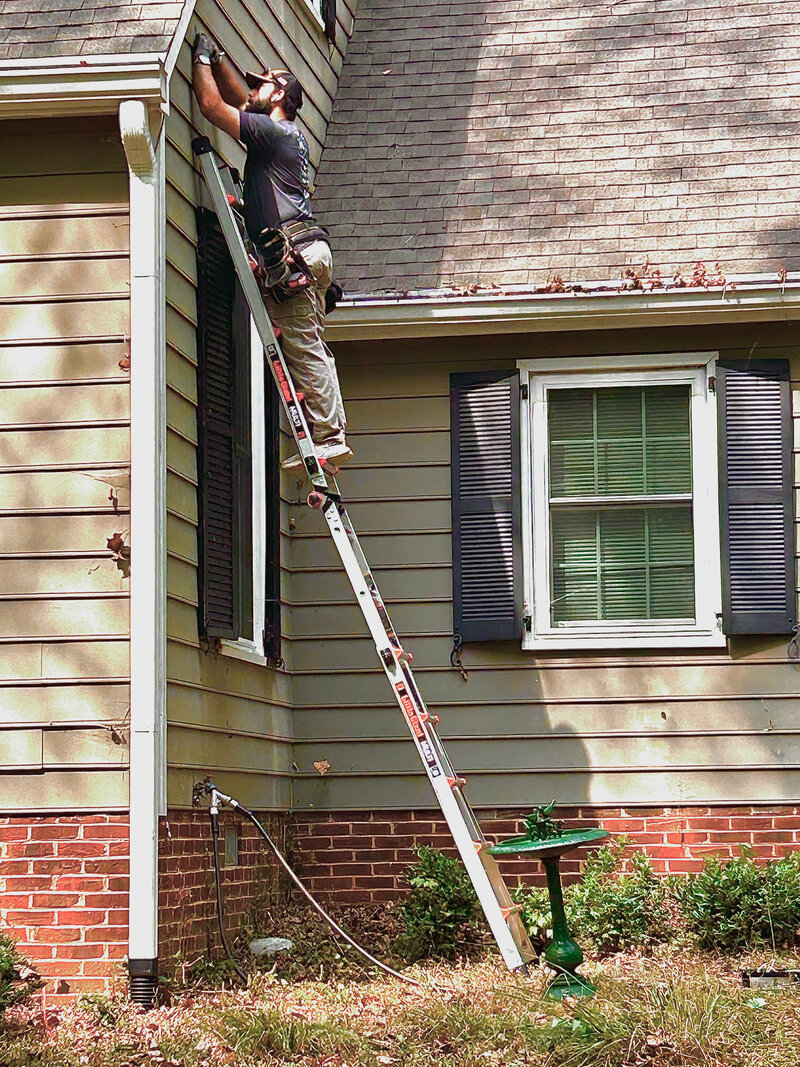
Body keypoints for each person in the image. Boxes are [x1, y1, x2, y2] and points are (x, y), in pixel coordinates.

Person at [191, 33, 351, 470]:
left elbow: (212, 107)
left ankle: (332, 437)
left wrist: (202, 60)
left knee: (303, 344)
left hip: (295, 253)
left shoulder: (272, 132)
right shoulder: (281, 135)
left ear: (279, 94)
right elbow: (244, 100)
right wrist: (220, 56)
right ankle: (328, 451)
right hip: (307, 250)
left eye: (262, 86)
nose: (252, 93)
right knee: (307, 342)